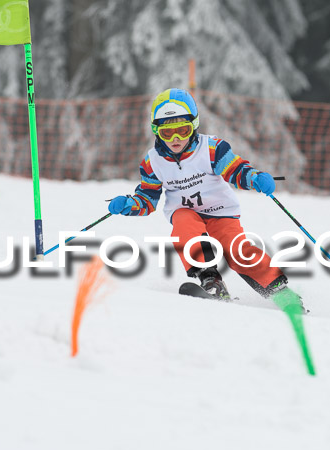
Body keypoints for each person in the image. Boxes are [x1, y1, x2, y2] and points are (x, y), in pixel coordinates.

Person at [107, 88, 305, 313]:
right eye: (167, 132)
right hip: (185, 211)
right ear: (156, 131)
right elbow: (148, 199)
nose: (175, 139)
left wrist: (255, 178)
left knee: (236, 249)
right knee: (183, 223)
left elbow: (234, 169)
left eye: (182, 130)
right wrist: (130, 205)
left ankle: (280, 292)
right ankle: (211, 281)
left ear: (194, 125)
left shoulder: (210, 148)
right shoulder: (152, 163)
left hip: (221, 211)